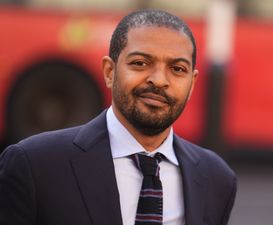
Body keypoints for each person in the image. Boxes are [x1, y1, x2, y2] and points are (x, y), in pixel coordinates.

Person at [0, 9, 236, 225]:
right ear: (109, 72)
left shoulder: (216, 178)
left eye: (177, 69)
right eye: (140, 63)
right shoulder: (34, 165)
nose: (159, 80)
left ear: (192, 83)